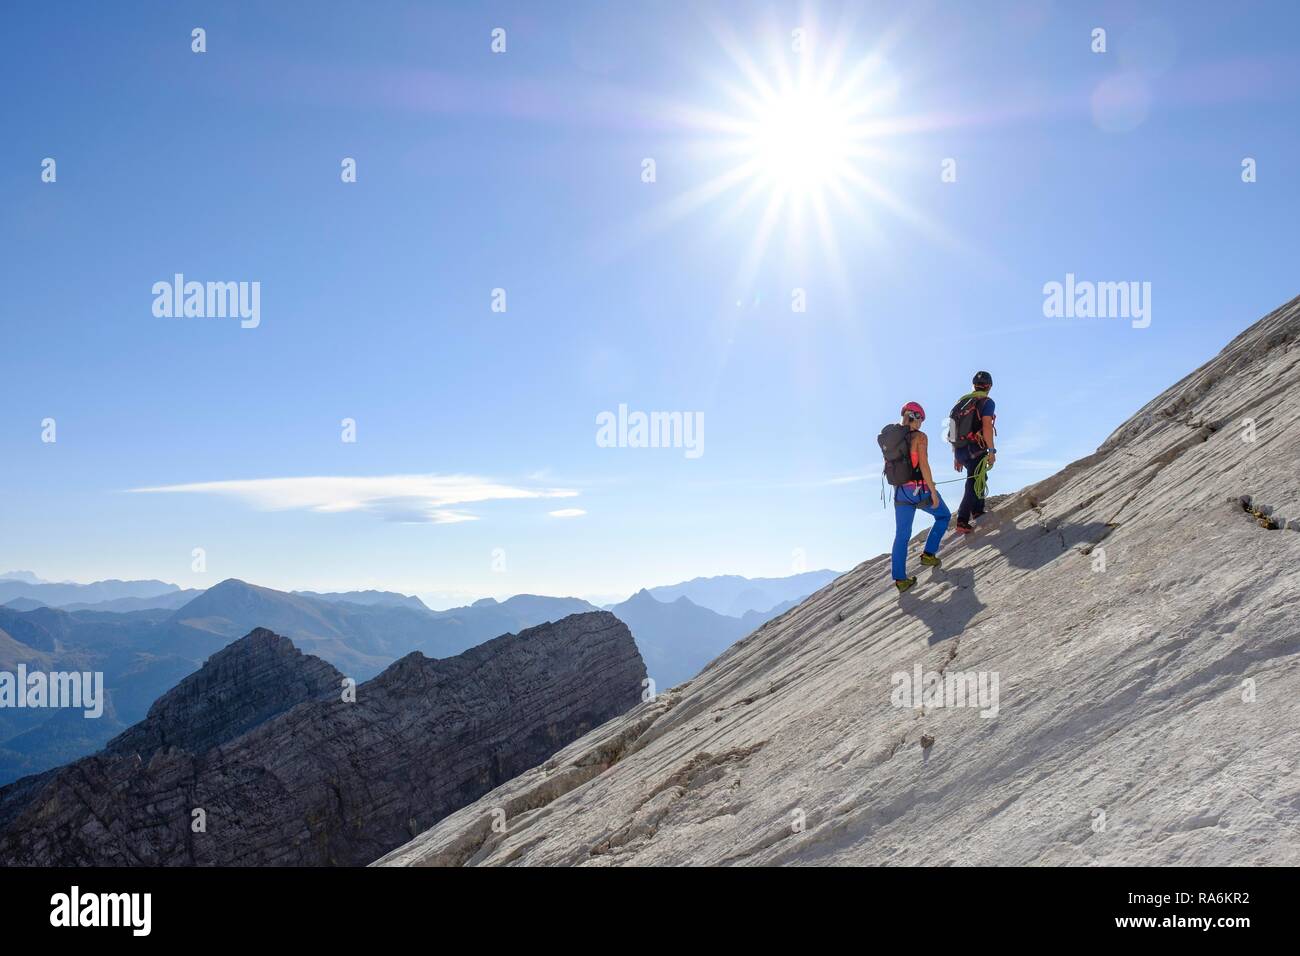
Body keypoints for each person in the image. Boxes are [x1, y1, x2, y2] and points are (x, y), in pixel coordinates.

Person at [889, 402, 950, 592]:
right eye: (921, 419)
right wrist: (932, 491)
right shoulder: (920, 437)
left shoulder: (891, 438)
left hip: (900, 493)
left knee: (902, 535)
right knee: (943, 516)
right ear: (914, 416)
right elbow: (923, 465)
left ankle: (900, 580)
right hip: (919, 489)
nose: (921, 423)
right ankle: (928, 554)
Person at [951, 371, 997, 533]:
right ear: (989, 386)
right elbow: (986, 426)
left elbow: (952, 431)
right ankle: (962, 519)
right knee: (973, 482)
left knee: (980, 477)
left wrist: (956, 455)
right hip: (976, 447)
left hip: (960, 449)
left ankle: (977, 510)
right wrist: (991, 450)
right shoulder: (986, 402)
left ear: (973, 385)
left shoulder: (960, 403)